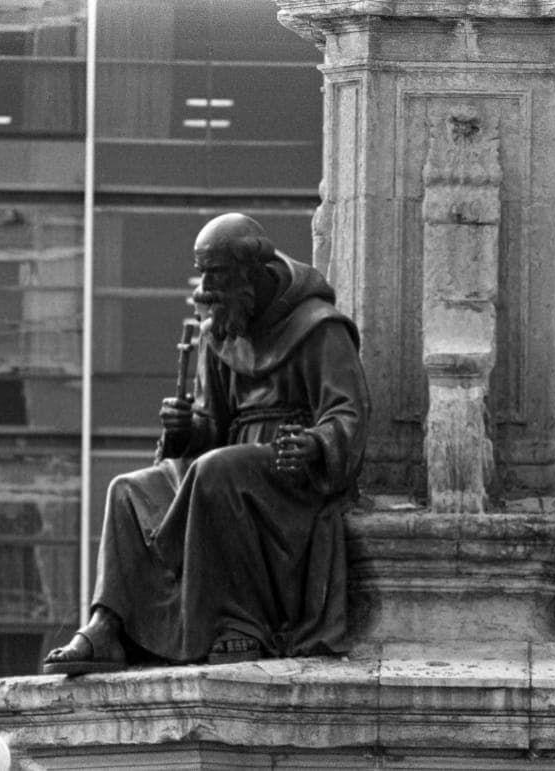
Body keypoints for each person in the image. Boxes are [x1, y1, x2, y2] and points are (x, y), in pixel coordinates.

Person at [43, 213, 370, 674]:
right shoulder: (224, 329)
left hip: (288, 472)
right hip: (224, 463)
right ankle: (108, 624)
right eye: (203, 271)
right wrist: (183, 429)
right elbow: (212, 426)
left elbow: (348, 413)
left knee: (215, 471)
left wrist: (316, 444)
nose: (205, 285)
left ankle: (238, 624)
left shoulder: (318, 327)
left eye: (216, 273)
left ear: (251, 272)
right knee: (128, 489)